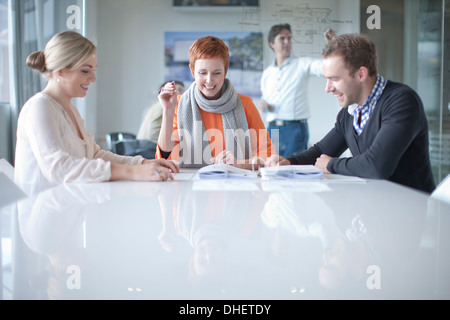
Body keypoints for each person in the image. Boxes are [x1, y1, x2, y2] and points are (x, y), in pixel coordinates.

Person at [266, 33, 436, 194]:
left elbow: (376, 166)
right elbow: (321, 151)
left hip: (412, 214)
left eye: (334, 79)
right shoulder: (349, 113)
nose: (328, 88)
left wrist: (331, 164)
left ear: (361, 74)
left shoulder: (401, 101)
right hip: (376, 209)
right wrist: (288, 162)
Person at [15, 31, 179, 192]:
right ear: (60, 70)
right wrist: (132, 172)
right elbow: (58, 169)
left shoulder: (69, 108)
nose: (93, 78)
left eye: (94, 70)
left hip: (68, 208)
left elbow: (93, 154)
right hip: (43, 214)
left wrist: (142, 163)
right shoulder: (39, 107)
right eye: (85, 71)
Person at [156, 36, 274, 169]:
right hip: (189, 185)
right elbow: (165, 158)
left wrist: (238, 165)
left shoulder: (245, 105)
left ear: (225, 70)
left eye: (216, 73)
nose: (209, 80)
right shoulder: (178, 105)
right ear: (192, 70)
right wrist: (167, 111)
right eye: (202, 73)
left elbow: (267, 156)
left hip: (236, 184)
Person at [260, 24, 336, 157]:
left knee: (293, 171)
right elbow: (267, 101)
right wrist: (265, 106)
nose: (287, 42)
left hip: (295, 130)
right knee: (270, 169)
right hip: (272, 129)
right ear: (272, 43)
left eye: (289, 38)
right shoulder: (267, 73)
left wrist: (333, 45)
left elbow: (326, 67)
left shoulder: (302, 64)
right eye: (282, 38)